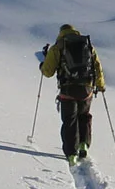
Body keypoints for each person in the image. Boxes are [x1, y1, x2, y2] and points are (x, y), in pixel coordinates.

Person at [41, 23, 105, 162]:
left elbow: (48, 72)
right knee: (84, 116)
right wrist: (100, 85)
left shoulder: (58, 46)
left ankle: (71, 153)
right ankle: (84, 145)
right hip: (86, 88)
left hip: (68, 89)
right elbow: (97, 67)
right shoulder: (87, 45)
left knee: (70, 120)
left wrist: (43, 63)